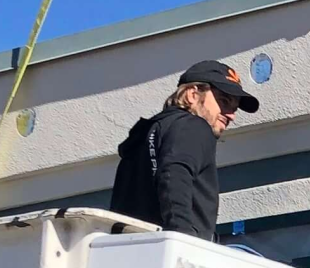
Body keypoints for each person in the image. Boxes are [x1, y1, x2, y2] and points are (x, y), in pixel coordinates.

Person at [110, 58, 260, 237]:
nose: (231, 115)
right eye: (224, 101)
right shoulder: (194, 126)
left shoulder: (145, 135)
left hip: (130, 251)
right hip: (170, 255)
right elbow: (175, 173)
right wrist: (183, 241)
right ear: (192, 95)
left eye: (234, 108)